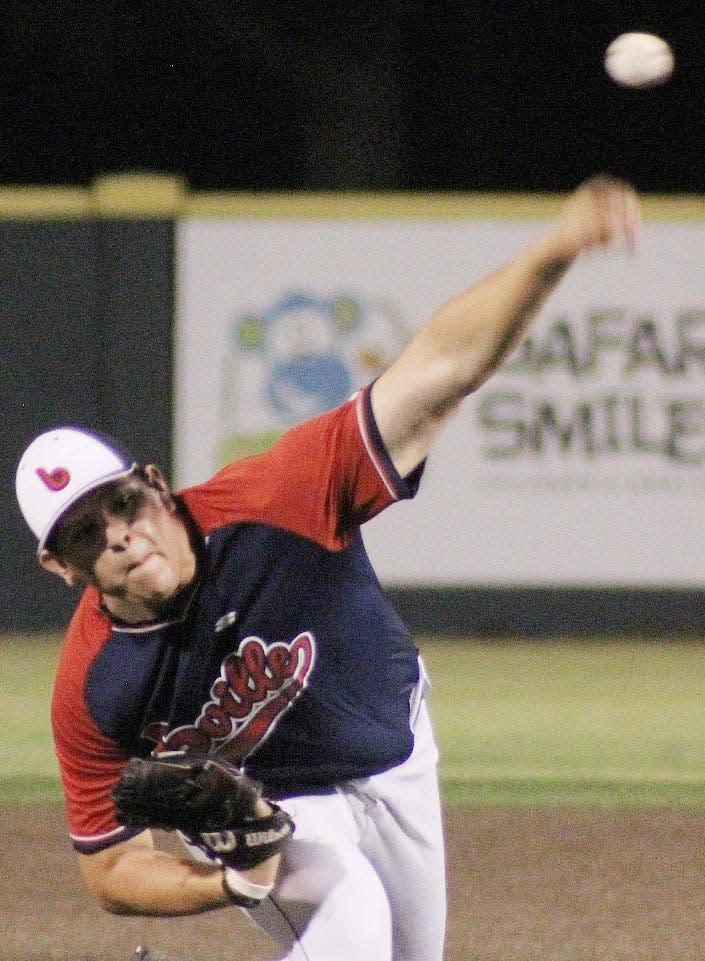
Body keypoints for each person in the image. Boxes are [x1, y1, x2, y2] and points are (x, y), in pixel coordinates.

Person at [15, 175, 641, 961]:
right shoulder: (93, 683)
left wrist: (553, 249)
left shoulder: (278, 497)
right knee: (350, 924)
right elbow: (109, 868)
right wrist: (231, 882)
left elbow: (440, 369)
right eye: (82, 534)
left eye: (122, 504)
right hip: (279, 805)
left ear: (156, 484)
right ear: (58, 565)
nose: (118, 535)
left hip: (393, 745)